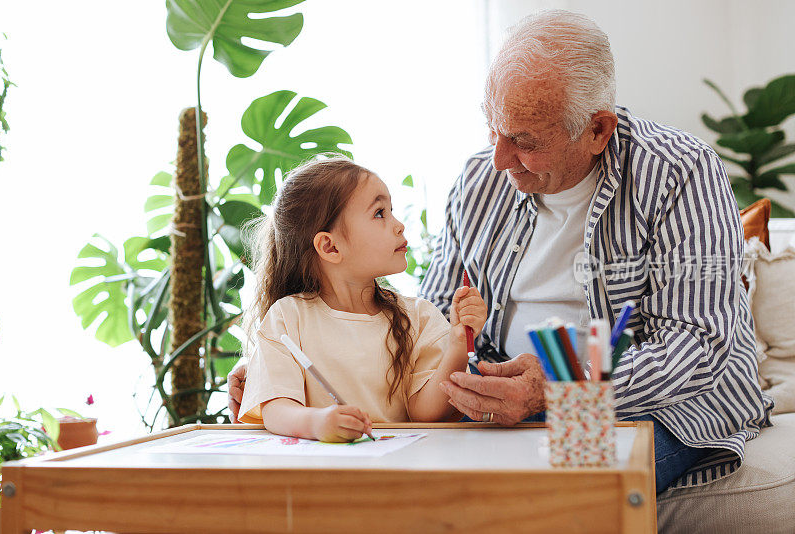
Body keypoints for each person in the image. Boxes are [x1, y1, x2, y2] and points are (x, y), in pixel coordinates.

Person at [231, 10, 772, 492]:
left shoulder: (679, 172)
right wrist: (281, 381)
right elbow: (433, 322)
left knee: (551, 500)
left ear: (598, 130)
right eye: (493, 128)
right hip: (499, 403)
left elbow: (700, 341)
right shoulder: (478, 180)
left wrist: (561, 387)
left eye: (525, 140)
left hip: (648, 407)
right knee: (411, 489)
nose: (498, 158)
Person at [235, 156, 487, 442]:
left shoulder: (421, 317)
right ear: (330, 246)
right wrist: (318, 423)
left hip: (399, 471)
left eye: (391, 210)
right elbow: (276, 408)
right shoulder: (288, 317)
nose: (399, 225)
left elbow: (426, 412)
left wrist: (456, 344)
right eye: (380, 213)